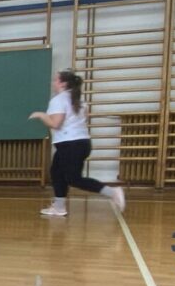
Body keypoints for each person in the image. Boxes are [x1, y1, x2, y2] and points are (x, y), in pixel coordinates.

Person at [30, 70, 126, 217]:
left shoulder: (58, 100)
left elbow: (55, 124)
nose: (53, 83)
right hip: (81, 143)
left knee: (73, 179)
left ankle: (112, 192)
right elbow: (83, 119)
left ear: (63, 83)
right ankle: (59, 207)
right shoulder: (79, 100)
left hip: (70, 145)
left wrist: (41, 115)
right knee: (57, 172)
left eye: (55, 80)